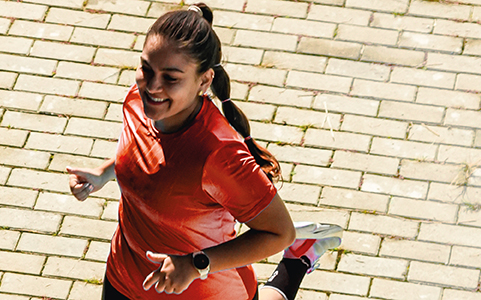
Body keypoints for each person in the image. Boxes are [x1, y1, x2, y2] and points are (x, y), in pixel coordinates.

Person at [66, 4, 342, 300]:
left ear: (204, 81)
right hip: (127, 279)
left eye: (171, 78)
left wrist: (195, 264)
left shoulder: (218, 153)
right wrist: (106, 173)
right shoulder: (137, 102)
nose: (152, 86)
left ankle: (297, 260)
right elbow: (149, 153)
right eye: (146, 68)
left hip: (204, 290)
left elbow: (278, 232)